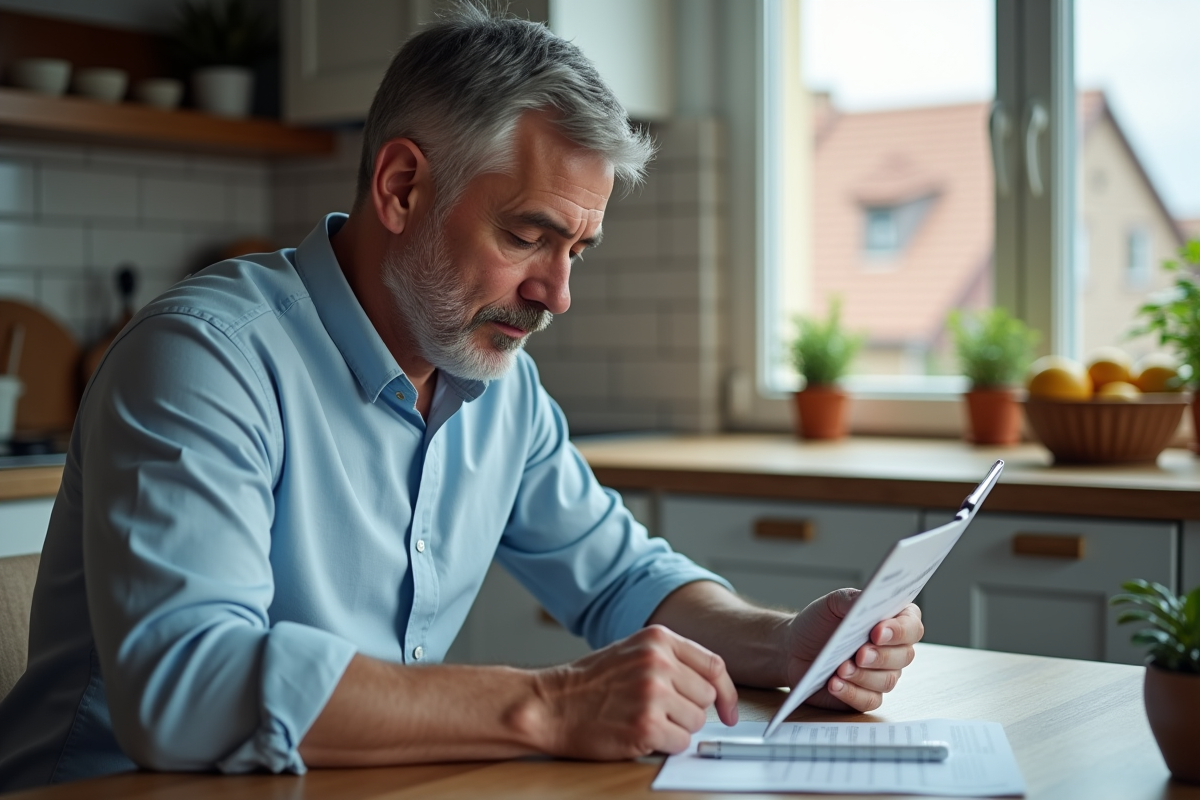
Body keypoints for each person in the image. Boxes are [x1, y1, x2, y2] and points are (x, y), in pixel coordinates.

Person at [0, 5, 922, 790]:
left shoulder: (497, 387)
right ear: (402, 188)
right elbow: (184, 689)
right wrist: (551, 704)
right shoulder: (205, 359)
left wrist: (784, 642)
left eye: (577, 250)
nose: (557, 294)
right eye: (527, 236)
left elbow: (622, 579)